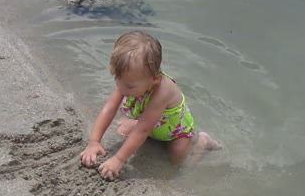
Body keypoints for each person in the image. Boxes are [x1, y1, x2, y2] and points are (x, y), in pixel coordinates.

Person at [80, 31, 220, 180]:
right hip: (150, 123)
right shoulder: (127, 81)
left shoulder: (162, 92)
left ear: (154, 79)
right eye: (117, 80)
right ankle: (138, 126)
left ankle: (202, 143)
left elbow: (143, 129)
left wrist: (119, 159)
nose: (121, 89)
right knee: (122, 129)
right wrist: (94, 142)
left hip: (173, 131)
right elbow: (108, 109)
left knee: (178, 163)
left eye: (129, 86)